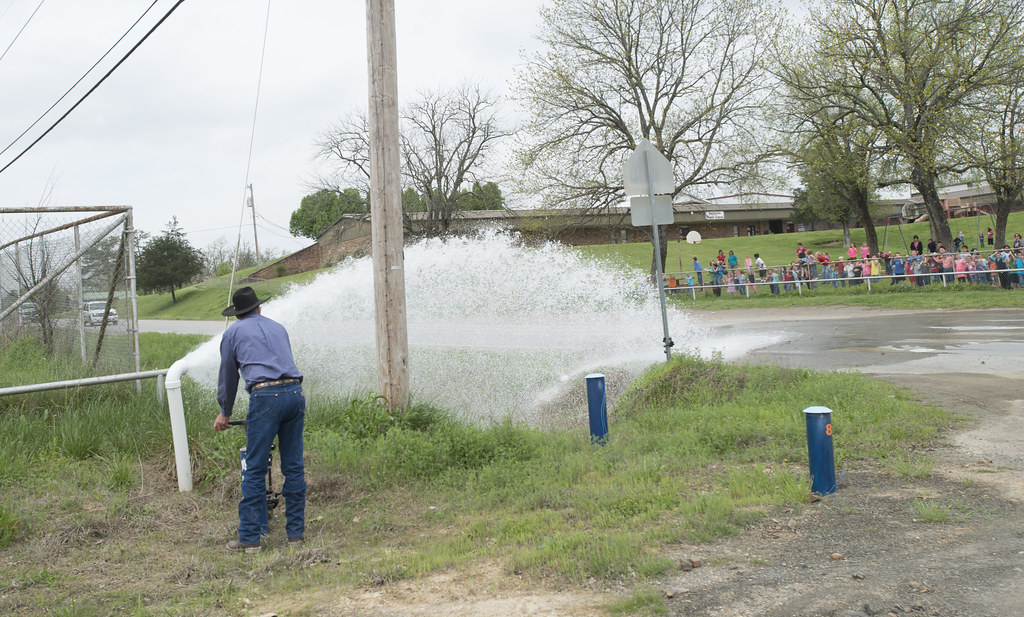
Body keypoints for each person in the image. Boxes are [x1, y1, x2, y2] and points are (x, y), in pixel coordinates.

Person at [216, 286, 306, 553]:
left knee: (255, 468)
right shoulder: (278, 327)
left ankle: (250, 539)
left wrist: (225, 412)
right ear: (259, 308)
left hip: (266, 396)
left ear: (237, 314)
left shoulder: (232, 333)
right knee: (294, 466)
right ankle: (296, 536)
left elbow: (228, 377)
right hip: (295, 392)